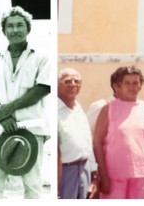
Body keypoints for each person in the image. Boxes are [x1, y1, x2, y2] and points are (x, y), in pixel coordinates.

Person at [0, 7, 51, 199]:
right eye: (10, 26)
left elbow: (43, 88)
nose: (15, 30)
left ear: (28, 29)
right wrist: (0, 115)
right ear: (4, 31)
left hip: (31, 126)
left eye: (20, 25)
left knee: (32, 185)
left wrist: (9, 109)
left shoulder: (41, 56)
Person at [93, 66, 144, 199]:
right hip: (114, 175)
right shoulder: (108, 108)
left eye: (136, 83)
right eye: (127, 83)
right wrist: (103, 175)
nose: (132, 87)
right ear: (118, 86)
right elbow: (97, 143)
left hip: (142, 174)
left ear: (140, 85)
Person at [56, 68, 95, 199]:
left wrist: (94, 172)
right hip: (64, 172)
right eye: (67, 81)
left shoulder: (78, 108)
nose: (73, 84)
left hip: (84, 169)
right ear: (57, 84)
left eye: (77, 81)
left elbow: (87, 141)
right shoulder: (53, 111)